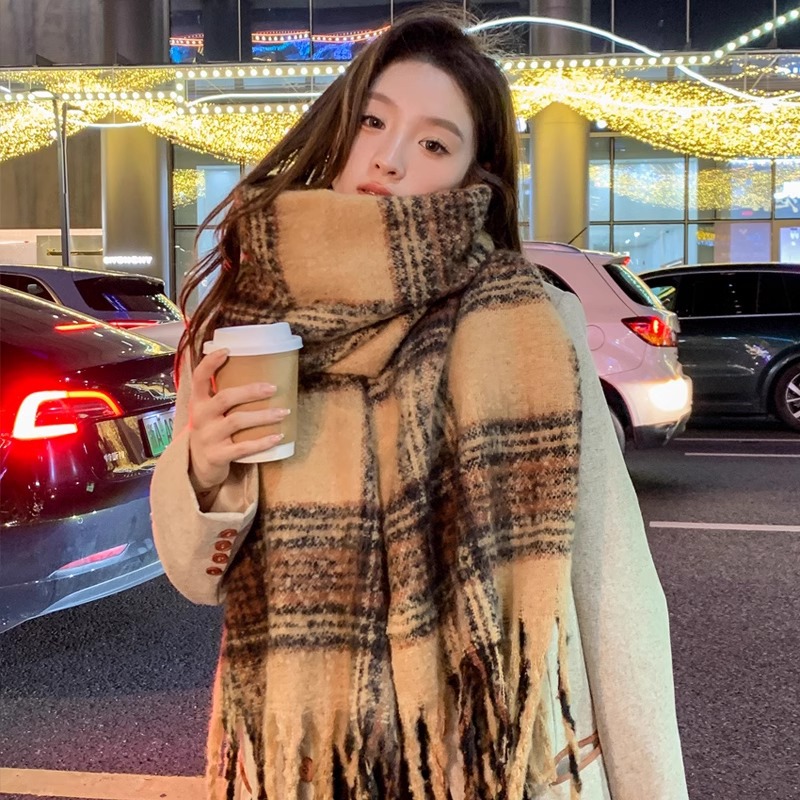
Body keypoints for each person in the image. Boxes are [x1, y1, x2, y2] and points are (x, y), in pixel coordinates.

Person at [150, 9, 689, 800]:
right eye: (373, 121)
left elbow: (614, 588)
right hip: (308, 763)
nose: (390, 157)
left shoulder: (531, 324)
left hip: (500, 762)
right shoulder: (256, 316)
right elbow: (201, 579)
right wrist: (201, 469)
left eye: (434, 144)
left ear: (474, 177)